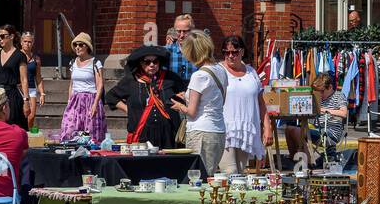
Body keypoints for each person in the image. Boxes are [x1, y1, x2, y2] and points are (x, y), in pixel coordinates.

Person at [106, 45, 185, 148]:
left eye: (155, 61)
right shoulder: (131, 81)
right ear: (140, 63)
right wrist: (128, 109)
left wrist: (182, 98)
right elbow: (111, 97)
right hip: (142, 133)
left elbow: (185, 94)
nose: (152, 65)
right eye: (147, 62)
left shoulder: (171, 78)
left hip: (168, 132)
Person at [172, 30, 227, 175]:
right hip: (218, 130)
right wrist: (187, 97)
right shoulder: (221, 70)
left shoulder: (199, 75)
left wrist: (180, 106)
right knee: (210, 173)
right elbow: (217, 100)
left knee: (198, 176)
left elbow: (191, 112)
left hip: (201, 131)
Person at [219, 34, 273, 172]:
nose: (230, 56)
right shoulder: (219, 71)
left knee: (241, 172)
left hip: (247, 130)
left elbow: (261, 102)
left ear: (242, 51)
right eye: (226, 52)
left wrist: (267, 127)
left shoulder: (251, 72)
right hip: (225, 129)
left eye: (234, 52)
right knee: (230, 172)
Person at [285, 71, 348, 164]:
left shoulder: (339, 96)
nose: (320, 94)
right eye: (318, 92)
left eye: (322, 91)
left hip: (330, 134)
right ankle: (293, 157)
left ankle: (309, 162)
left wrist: (323, 109)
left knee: (297, 131)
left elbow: (344, 113)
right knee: (288, 129)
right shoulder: (318, 98)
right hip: (318, 128)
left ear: (330, 87)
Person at [60, 33, 105, 140]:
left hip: (91, 99)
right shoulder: (73, 62)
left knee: (89, 132)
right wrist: (69, 99)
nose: (77, 47)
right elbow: (72, 83)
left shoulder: (95, 63)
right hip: (76, 99)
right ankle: (71, 150)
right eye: (75, 45)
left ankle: (89, 153)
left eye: (80, 45)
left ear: (87, 46)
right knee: (70, 129)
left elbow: (100, 85)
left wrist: (95, 104)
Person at [0, 26, 29, 130]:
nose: (0, 39)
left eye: (2, 36)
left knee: (12, 126)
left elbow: (24, 80)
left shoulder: (20, 56)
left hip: (11, 96)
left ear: (11, 36)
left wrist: (26, 101)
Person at [20, 30, 45, 130]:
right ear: (21, 42)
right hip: (19, 88)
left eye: (29, 42)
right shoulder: (16, 55)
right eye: (25, 41)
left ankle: (28, 135)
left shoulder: (36, 59)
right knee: (21, 115)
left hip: (31, 88)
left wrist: (42, 93)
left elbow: (38, 77)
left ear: (33, 43)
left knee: (31, 116)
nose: (27, 44)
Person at [165, 13, 195, 85]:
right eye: (179, 31)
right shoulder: (167, 51)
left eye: (185, 31)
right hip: (173, 94)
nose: (181, 35)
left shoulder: (199, 52)